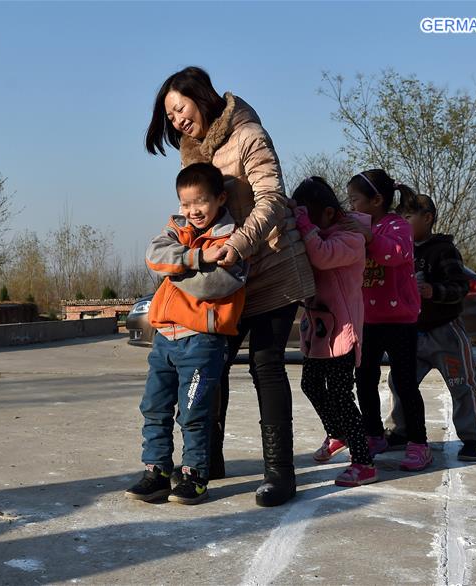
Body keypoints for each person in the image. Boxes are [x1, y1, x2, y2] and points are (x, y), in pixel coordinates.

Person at [146, 67, 315, 507]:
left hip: (274, 268)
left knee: (265, 365)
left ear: (201, 97)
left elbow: (273, 198)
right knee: (211, 362)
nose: (176, 120)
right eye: (170, 116)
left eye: (179, 108)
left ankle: (280, 473)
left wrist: (238, 244)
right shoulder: (194, 152)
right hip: (228, 278)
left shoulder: (249, 134)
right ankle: (205, 462)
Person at [125, 162, 247, 505]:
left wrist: (175, 270)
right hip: (165, 338)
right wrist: (196, 257)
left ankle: (194, 475)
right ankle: (158, 471)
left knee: (194, 413)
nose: (193, 211)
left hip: (201, 341)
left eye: (201, 202)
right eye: (186, 203)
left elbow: (216, 285)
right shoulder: (177, 228)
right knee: (154, 407)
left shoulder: (232, 240)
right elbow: (154, 256)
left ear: (219, 199)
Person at [385, 193, 476, 461]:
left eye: (407, 217)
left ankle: (473, 438)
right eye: (399, 218)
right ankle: (401, 430)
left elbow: (460, 286)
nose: (402, 223)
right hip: (412, 332)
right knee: (399, 381)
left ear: (427, 218)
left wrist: (433, 291)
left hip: (445, 333)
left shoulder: (444, 251)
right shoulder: (399, 250)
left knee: (461, 384)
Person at [291, 177, 377, 486]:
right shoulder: (318, 233)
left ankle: (363, 461)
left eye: (310, 217)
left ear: (328, 214)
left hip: (342, 332)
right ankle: (337, 433)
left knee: (342, 395)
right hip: (318, 330)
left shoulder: (351, 239)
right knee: (311, 384)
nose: (305, 226)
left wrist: (303, 225)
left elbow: (322, 255)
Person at [345, 169, 432, 472]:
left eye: (355, 199)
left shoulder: (398, 226)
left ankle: (418, 442)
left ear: (377, 200)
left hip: (400, 320)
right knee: (364, 381)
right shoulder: (355, 227)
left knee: (405, 382)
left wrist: (367, 236)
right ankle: (373, 434)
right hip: (367, 320)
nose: (352, 205)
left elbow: (394, 254)